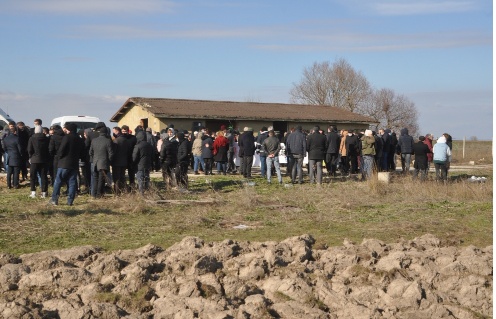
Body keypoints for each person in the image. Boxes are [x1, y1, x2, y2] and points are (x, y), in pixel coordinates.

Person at [49, 123, 84, 206]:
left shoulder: (67, 137)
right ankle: (70, 201)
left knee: (58, 181)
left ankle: (54, 199)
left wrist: (59, 157)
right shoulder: (79, 139)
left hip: (64, 163)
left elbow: (62, 150)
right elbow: (82, 152)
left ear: (69, 129)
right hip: (74, 163)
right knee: (72, 182)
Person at [89, 127, 114, 198]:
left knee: (95, 178)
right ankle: (99, 194)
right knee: (101, 179)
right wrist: (108, 161)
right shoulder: (108, 141)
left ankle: (94, 194)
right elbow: (111, 153)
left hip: (95, 162)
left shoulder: (94, 140)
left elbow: (90, 152)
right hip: (103, 163)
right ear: (106, 133)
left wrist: (94, 159)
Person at [27, 125, 50, 198]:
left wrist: (30, 156)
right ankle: (44, 192)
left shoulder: (32, 138)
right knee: (44, 176)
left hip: (34, 159)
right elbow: (48, 149)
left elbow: (29, 149)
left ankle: (33, 192)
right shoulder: (46, 139)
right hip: (44, 159)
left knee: (33, 176)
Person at [132, 131, 154, 195]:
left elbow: (134, 157)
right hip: (148, 164)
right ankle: (147, 191)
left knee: (140, 180)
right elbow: (152, 156)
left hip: (139, 165)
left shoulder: (138, 146)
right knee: (147, 178)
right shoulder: (149, 145)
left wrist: (133, 164)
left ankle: (141, 193)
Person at [111, 126, 131, 195]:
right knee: (122, 176)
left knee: (116, 178)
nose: (113, 133)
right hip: (124, 161)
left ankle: (117, 193)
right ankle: (125, 190)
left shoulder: (116, 141)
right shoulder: (126, 140)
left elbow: (113, 152)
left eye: (114, 132)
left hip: (116, 162)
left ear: (117, 131)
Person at [3, 124, 22, 189]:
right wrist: (21, 154)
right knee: (16, 172)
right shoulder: (17, 139)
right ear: (15, 132)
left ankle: (8, 185)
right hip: (16, 156)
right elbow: (20, 148)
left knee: (9, 172)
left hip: (9, 156)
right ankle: (15, 184)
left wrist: (8, 152)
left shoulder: (5, 139)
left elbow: (4, 148)